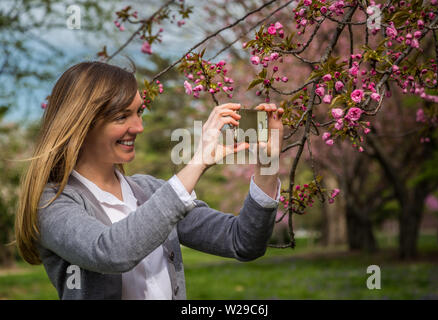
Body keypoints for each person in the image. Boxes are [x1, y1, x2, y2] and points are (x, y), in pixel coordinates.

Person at [14, 61, 284, 300]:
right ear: (82, 123)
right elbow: (110, 252)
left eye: (139, 112)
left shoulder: (149, 190)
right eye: (122, 116)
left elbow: (242, 242)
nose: (138, 127)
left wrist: (267, 165)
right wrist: (197, 162)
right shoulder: (52, 202)